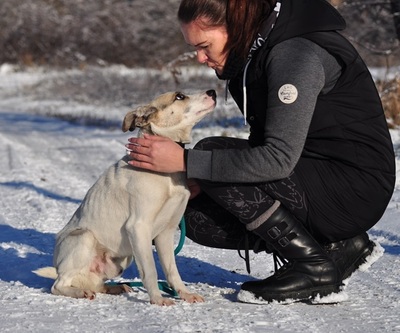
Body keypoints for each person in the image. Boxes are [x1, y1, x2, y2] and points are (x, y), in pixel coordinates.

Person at [125, 0, 396, 303]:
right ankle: (338, 247)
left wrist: (188, 162)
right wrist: (207, 177)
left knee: (210, 151)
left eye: (204, 46)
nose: (200, 58)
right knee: (195, 214)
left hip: (353, 188)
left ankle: (313, 268)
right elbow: (263, 146)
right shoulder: (256, 54)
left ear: (236, 26)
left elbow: (276, 159)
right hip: (318, 177)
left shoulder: (295, 54)